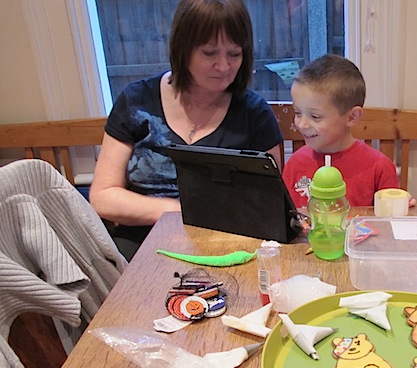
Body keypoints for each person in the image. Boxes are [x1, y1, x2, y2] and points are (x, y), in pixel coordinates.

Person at [90, 0, 283, 260]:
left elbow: (266, 205)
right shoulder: (136, 100)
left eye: (235, 54)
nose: (224, 66)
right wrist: (181, 210)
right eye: (209, 53)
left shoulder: (254, 113)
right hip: (137, 246)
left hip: (222, 245)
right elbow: (103, 196)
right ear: (183, 49)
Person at [282, 54, 414, 208]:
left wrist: (401, 207)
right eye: (298, 113)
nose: (302, 124)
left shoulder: (379, 167)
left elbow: (389, 223)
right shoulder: (295, 164)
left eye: (315, 116)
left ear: (352, 117)